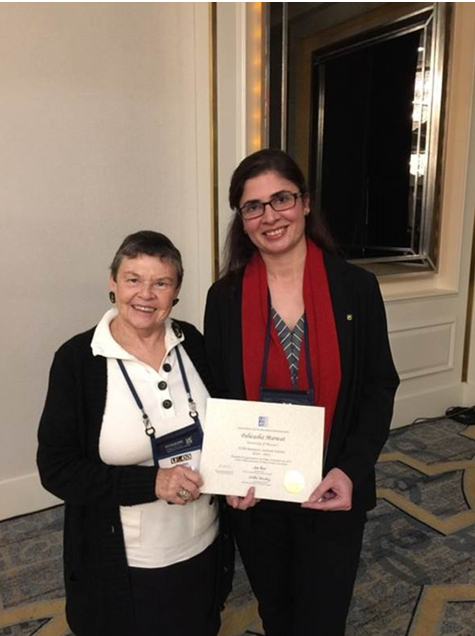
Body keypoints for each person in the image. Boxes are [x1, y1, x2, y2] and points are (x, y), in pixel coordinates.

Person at [204, 149, 400, 636]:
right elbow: (218, 393)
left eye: (282, 199)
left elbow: (380, 385)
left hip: (332, 485)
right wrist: (227, 471)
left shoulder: (356, 288)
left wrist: (351, 470)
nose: (270, 216)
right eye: (254, 206)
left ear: (305, 203)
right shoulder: (224, 297)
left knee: (323, 615)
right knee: (276, 609)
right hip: (256, 489)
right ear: (242, 218)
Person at [37, 230, 232, 636]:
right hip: (127, 562)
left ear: (176, 291)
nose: (146, 294)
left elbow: (225, 425)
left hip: (203, 544)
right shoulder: (78, 361)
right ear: (112, 282)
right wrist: (153, 482)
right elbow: (57, 469)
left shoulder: (192, 342)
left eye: (161, 282)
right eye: (132, 279)